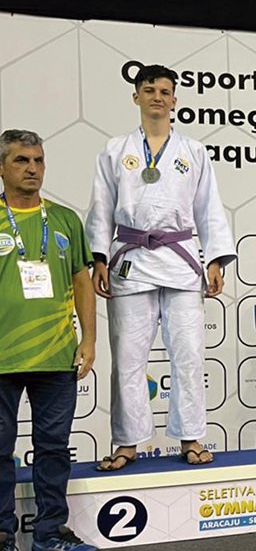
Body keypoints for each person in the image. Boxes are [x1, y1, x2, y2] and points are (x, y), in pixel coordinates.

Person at [86, 65, 236, 470]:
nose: (157, 96)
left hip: (181, 260)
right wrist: (99, 257)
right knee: (128, 357)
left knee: (188, 354)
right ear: (135, 97)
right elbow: (101, 207)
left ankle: (191, 438)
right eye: (148, 89)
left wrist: (217, 258)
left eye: (164, 91)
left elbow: (209, 208)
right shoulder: (115, 150)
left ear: (175, 101)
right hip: (131, 259)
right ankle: (127, 442)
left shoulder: (194, 152)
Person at [0, 129, 97, 551]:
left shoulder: (64, 219)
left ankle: (50, 534)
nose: (33, 169)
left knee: (54, 449)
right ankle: (3, 533)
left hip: (58, 357)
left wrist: (89, 341)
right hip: (2, 358)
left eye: (38, 160)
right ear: (2, 167)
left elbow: (83, 282)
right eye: (22, 160)